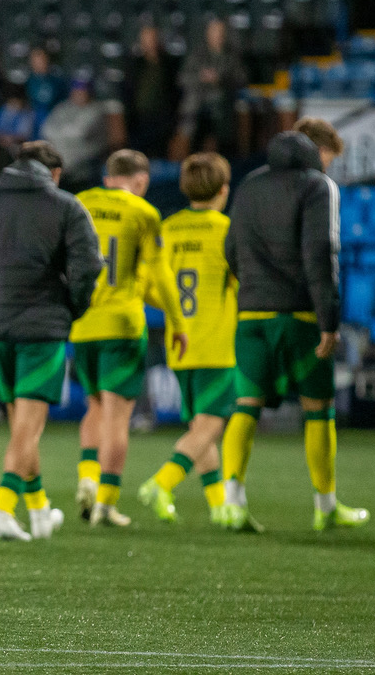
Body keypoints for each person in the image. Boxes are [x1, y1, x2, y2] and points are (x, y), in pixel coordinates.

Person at [0, 141, 102, 541]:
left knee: (21, 427)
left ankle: (38, 512)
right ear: (52, 173)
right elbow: (87, 269)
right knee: (28, 429)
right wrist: (72, 307)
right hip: (43, 329)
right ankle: (2, 509)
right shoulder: (67, 207)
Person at [218, 118, 368, 533]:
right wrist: (329, 319)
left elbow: (230, 250)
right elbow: (321, 253)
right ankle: (326, 506)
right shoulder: (317, 186)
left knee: (245, 407)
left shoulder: (249, 185)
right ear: (318, 153)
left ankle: (232, 503)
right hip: (300, 315)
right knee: (318, 411)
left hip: (251, 315)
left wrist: (253, 286)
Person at [71, 149, 187, 526]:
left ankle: (86, 478)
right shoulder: (143, 212)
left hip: (83, 323)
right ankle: (105, 503)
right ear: (140, 181)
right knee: (117, 418)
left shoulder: (80, 203)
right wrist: (177, 321)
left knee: (93, 406)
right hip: (122, 325)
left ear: (108, 177)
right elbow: (163, 276)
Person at [136, 154, 235, 525]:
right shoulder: (228, 231)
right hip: (217, 344)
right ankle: (162, 482)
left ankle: (220, 506)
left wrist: (174, 309)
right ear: (224, 191)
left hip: (180, 343)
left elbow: (147, 286)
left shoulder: (169, 228)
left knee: (199, 427)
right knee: (212, 425)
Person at [179, 18, 246, 158]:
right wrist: (201, 77)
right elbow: (182, 78)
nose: (218, 35)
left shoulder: (231, 57)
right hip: (198, 107)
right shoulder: (197, 55)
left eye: (221, 32)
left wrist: (220, 79)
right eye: (214, 31)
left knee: (225, 143)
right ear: (208, 33)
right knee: (193, 140)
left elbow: (241, 80)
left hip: (222, 109)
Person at [121, 25, 181, 159]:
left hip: (163, 119)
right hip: (139, 119)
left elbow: (176, 92)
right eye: (147, 39)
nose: (150, 43)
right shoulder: (135, 64)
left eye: (153, 39)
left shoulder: (169, 64)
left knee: (160, 157)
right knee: (138, 159)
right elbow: (127, 91)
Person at [40, 75, 108, 192]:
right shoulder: (63, 107)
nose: (79, 93)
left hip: (84, 171)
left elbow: (79, 132)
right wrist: (65, 132)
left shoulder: (97, 110)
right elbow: (46, 130)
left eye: (83, 90)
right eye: (77, 89)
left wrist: (59, 132)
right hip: (62, 172)